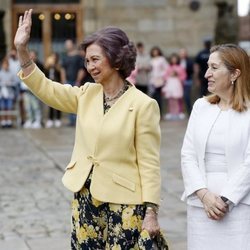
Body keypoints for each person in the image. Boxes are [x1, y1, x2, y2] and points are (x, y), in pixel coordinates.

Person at [15, 9, 167, 249]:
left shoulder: (143, 105)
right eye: (87, 60)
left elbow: (149, 162)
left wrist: (151, 211)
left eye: (95, 59)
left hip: (124, 205)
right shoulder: (87, 93)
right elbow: (47, 89)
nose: (90, 66)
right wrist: (23, 51)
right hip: (85, 197)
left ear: (117, 59)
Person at [181, 44, 250, 250]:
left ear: (235, 73)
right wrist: (204, 195)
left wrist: (225, 200)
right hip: (201, 207)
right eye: (207, 67)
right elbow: (188, 155)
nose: (206, 73)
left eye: (214, 67)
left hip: (240, 206)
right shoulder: (201, 107)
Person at [61, 39, 85, 126]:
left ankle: (77, 121)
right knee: (69, 101)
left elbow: (82, 69)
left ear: (73, 45)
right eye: (66, 44)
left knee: (78, 100)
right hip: (68, 81)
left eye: (68, 44)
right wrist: (63, 80)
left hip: (76, 81)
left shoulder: (79, 57)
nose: (67, 46)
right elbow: (63, 69)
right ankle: (71, 121)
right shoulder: (65, 56)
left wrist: (78, 81)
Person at [162, 53, 186, 120]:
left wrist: (177, 77)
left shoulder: (180, 67)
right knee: (170, 99)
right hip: (170, 85)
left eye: (175, 59)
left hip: (177, 85)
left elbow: (183, 76)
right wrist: (170, 77)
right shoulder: (169, 68)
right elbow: (165, 76)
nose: (174, 60)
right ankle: (170, 112)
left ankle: (180, 112)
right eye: (173, 59)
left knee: (178, 99)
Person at [44, 52, 63, 128]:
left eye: (54, 57)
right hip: (49, 85)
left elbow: (60, 73)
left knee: (58, 103)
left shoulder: (58, 66)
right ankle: (50, 119)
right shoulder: (48, 66)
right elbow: (44, 73)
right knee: (50, 103)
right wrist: (48, 66)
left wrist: (54, 66)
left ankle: (58, 119)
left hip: (57, 85)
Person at [149, 46, 168, 116]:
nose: (155, 53)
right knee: (153, 96)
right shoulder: (151, 60)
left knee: (159, 96)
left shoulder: (161, 59)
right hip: (153, 79)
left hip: (159, 80)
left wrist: (162, 75)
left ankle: (160, 112)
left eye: (156, 51)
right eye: (154, 51)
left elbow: (166, 68)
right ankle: (154, 112)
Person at [179, 48, 194, 116]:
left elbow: (192, 70)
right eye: (181, 53)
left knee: (186, 96)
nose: (182, 54)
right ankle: (180, 112)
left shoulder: (189, 61)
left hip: (187, 80)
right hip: (179, 81)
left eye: (183, 53)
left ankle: (189, 112)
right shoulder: (178, 61)